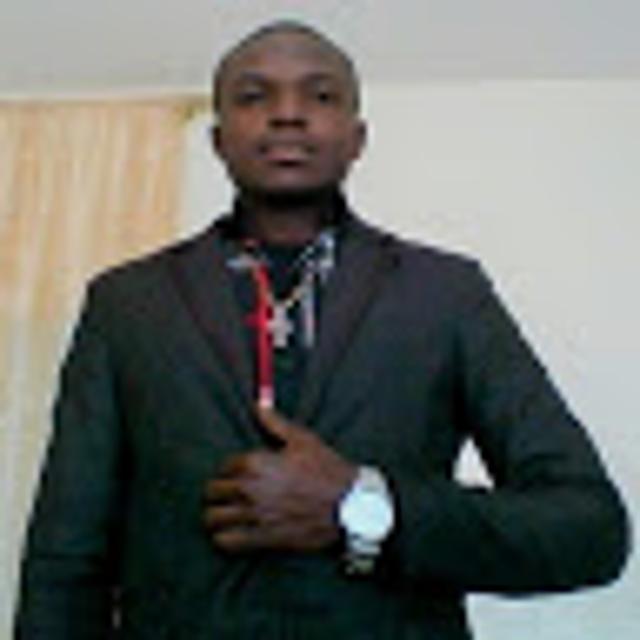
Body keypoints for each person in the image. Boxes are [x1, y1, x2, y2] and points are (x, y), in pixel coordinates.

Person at [15, 20, 630, 640]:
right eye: (253, 96)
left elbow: (589, 529)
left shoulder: (446, 294)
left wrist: (364, 506)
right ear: (218, 140)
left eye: (321, 95)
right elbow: (65, 562)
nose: (288, 114)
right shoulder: (127, 304)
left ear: (357, 138)